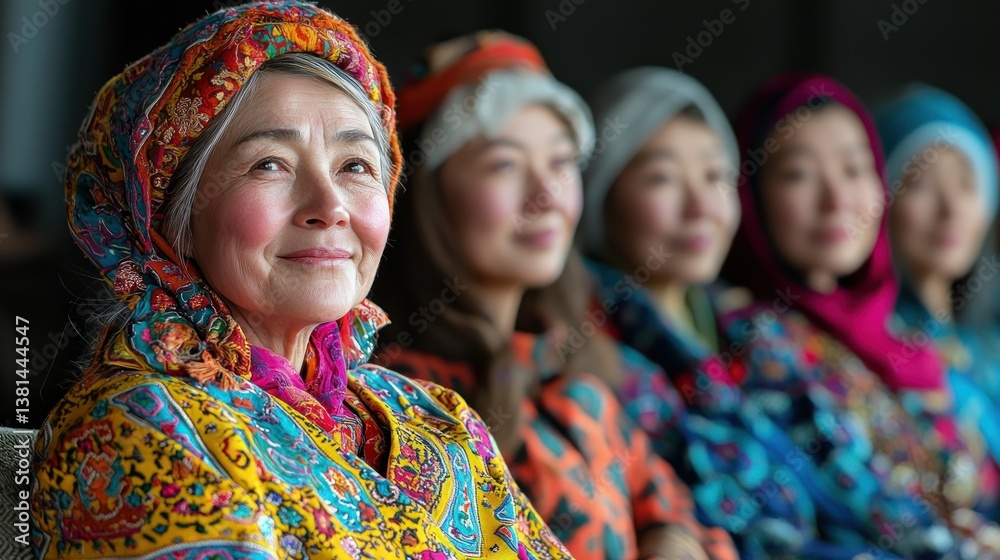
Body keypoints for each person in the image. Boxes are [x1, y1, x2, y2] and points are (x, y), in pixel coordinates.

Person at [31, 4, 571, 558]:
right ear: (173, 220)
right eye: (270, 163)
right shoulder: (137, 430)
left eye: (355, 166)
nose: (330, 206)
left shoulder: (436, 419)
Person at [373, 31, 735, 560]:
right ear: (428, 194)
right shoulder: (393, 395)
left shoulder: (570, 355)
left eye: (562, 162)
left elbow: (665, 499)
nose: (546, 195)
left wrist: (671, 540)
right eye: (504, 164)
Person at [580, 67, 880, 559]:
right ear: (600, 195)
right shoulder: (594, 359)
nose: (701, 206)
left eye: (715, 175)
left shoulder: (758, 337)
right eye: (662, 178)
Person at [721, 73, 1000, 558]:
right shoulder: (756, 346)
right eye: (798, 174)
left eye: (854, 169)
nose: (836, 201)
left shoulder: (900, 343)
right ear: (751, 194)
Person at [877, 85, 1000, 516]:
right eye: (921, 184)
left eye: (967, 185)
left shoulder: (985, 350)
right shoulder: (878, 353)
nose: (951, 209)